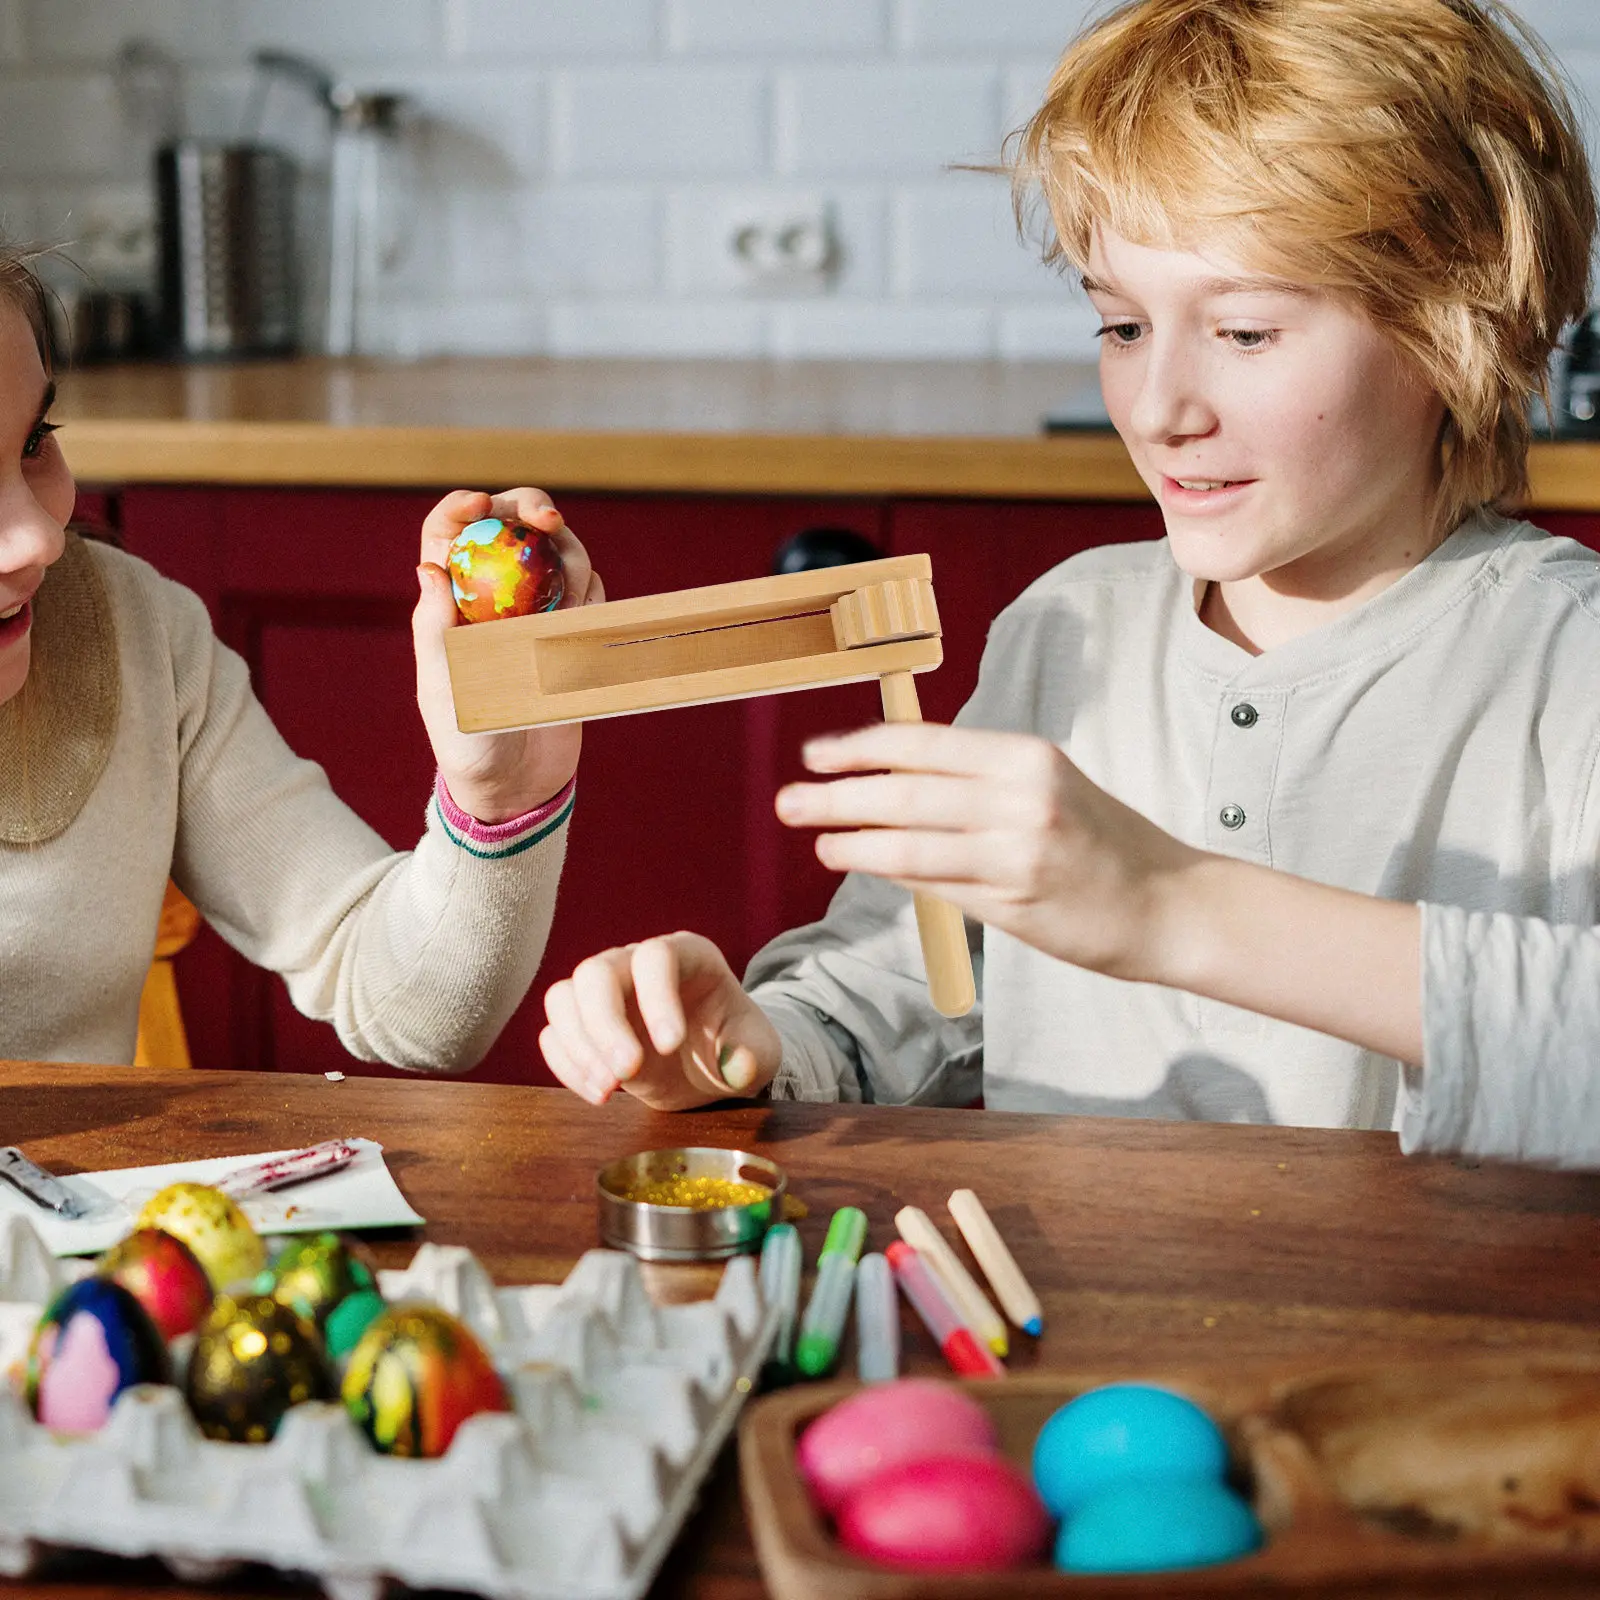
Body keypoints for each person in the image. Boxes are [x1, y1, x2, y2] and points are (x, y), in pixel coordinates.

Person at [536, 0, 1600, 1167]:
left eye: (1244, 333)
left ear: (1455, 322)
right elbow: (925, 988)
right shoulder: (1069, 626)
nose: (1159, 409)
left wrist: (1166, 903)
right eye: (1123, 325)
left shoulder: (1564, 663)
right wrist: (760, 1039)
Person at [0, 247, 597, 1070]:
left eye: (35, 440)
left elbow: (406, 1003)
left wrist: (497, 800)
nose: (38, 537)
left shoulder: (133, 633)